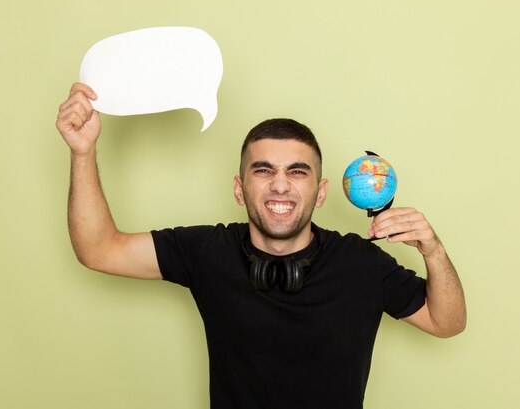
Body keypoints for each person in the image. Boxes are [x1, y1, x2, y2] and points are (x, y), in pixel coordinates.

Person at [56, 82, 466, 409]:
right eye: (264, 170)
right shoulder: (206, 252)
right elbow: (99, 249)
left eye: (297, 172)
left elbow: (446, 322)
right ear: (239, 188)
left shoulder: (363, 264)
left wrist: (434, 251)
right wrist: (83, 151)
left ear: (321, 192)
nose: (281, 184)